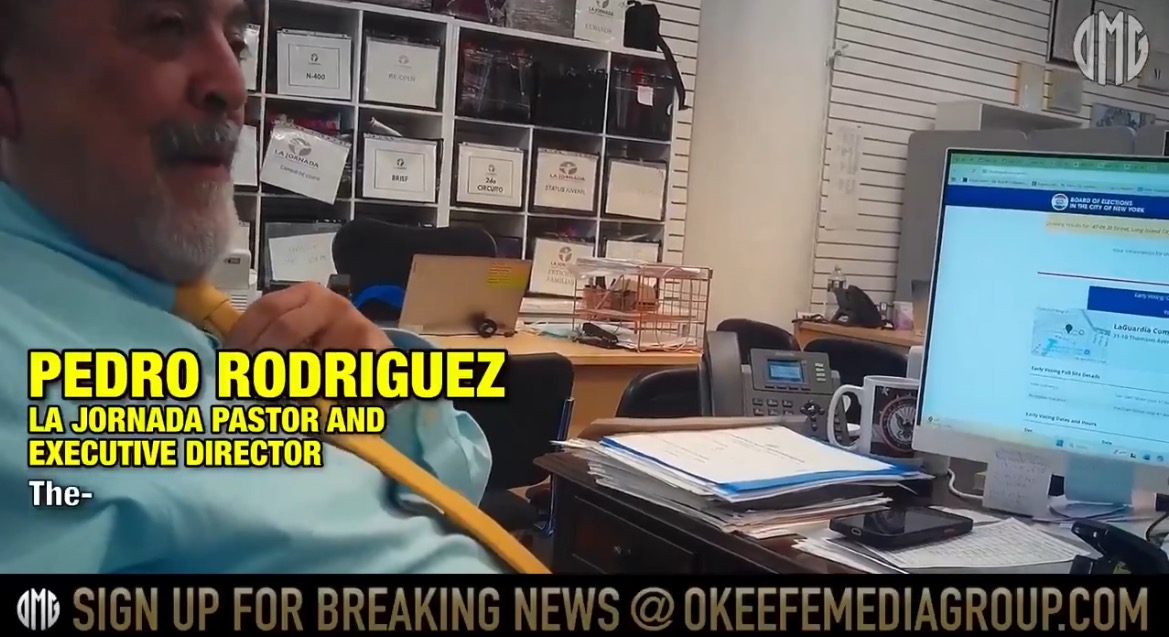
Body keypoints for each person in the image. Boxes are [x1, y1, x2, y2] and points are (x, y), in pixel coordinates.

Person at [0, 0, 504, 573]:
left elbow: (457, 492)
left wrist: (382, 391)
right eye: (166, 26)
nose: (234, 87)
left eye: (236, 44)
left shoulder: (179, 307)